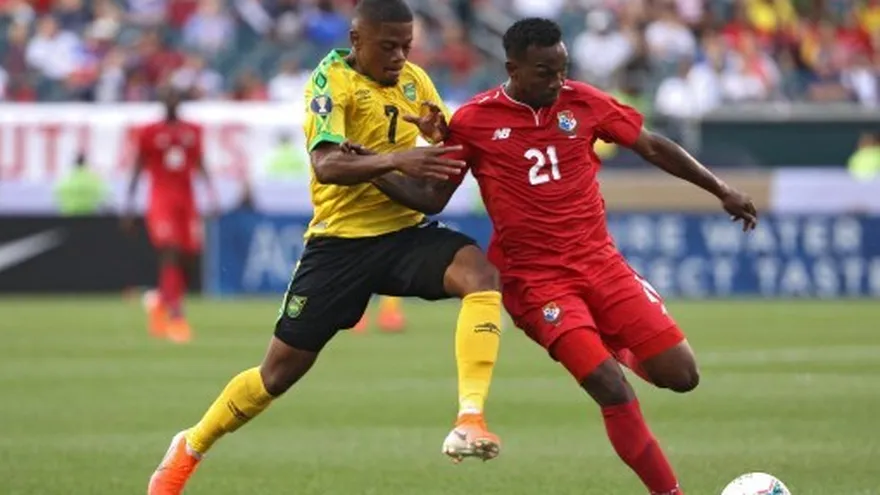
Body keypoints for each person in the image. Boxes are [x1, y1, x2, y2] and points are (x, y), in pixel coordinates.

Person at [370, 18, 758, 495]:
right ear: (512, 69)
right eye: (544, 72)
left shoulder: (584, 101)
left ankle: (608, 343)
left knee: (682, 376)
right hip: (536, 283)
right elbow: (432, 199)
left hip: (602, 264)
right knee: (611, 388)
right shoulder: (473, 121)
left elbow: (653, 146)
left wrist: (720, 189)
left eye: (562, 70)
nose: (557, 82)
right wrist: (374, 169)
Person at [146, 2, 503, 493]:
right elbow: (327, 165)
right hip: (340, 245)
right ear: (357, 40)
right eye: (388, 46)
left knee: (480, 275)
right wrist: (396, 160)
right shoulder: (329, 82)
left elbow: (433, 191)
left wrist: (435, 143)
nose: (400, 57)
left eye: (406, 46)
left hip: (404, 234)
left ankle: (470, 418)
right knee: (276, 376)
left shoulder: (416, 82)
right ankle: (190, 445)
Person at [123, 88, 217, 343]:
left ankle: (160, 302)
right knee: (170, 250)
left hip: (187, 200)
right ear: (162, 101)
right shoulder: (149, 132)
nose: (172, 101)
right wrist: (129, 204)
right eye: (168, 96)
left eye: (176, 96)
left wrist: (212, 195)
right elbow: (138, 166)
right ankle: (176, 315)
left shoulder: (193, 130)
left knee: (189, 257)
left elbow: (200, 162)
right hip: (161, 199)